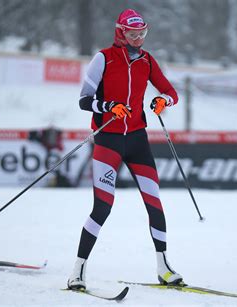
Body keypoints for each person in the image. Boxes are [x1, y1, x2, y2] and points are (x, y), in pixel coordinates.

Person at [67, 9, 183, 290]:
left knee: (154, 202)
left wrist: (162, 102)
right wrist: (109, 107)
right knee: (102, 208)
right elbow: (84, 100)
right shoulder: (103, 58)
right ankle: (77, 270)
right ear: (120, 32)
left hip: (137, 140)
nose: (139, 39)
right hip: (108, 141)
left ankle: (164, 268)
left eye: (143, 33)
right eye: (133, 34)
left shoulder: (146, 60)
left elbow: (171, 92)